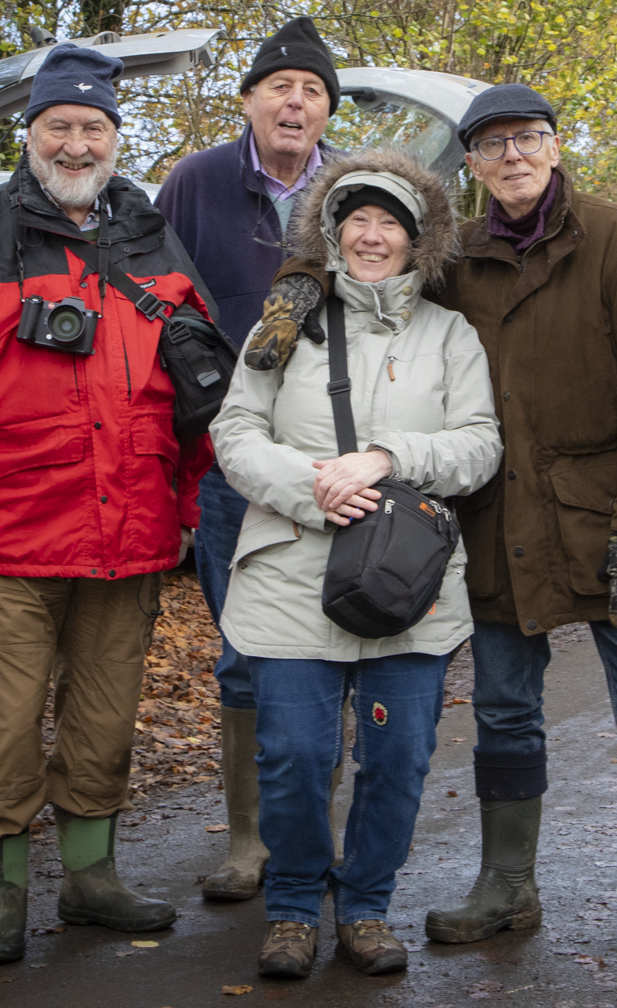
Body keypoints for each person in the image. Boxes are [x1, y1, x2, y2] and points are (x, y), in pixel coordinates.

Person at [257, 84, 617, 980]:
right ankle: (506, 885)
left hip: (612, 525)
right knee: (506, 715)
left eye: (528, 138)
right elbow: (368, 264)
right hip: (497, 529)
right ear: (471, 165)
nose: (512, 156)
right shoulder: (463, 257)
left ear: (556, 147)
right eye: (491, 145)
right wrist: (294, 289)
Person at [0, 43, 218, 964]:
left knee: (107, 717)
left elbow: (200, 382)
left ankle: (90, 878)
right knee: (5, 722)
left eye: (94, 128)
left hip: (132, 531)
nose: (76, 145)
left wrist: (187, 501)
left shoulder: (150, 234)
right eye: (59, 127)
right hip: (10, 535)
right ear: (29, 133)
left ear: (116, 137)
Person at [210, 148, 501, 979]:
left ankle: (366, 908)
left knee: (398, 757)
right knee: (295, 755)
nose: (372, 236)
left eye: (391, 223)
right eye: (357, 219)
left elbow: (480, 445)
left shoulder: (450, 335)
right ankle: (296, 906)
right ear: (333, 231)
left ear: (419, 240)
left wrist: (384, 457)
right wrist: (312, 491)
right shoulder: (285, 320)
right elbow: (233, 431)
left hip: (410, 585)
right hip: (290, 576)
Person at [154, 16, 341, 899]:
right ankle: (249, 842)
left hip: (330, 461)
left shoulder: (352, 187)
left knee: (333, 639)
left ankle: (313, 833)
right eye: (281, 86)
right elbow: (150, 297)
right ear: (251, 102)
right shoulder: (193, 183)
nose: (295, 101)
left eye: (311, 90)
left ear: (326, 108)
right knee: (245, 649)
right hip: (232, 459)